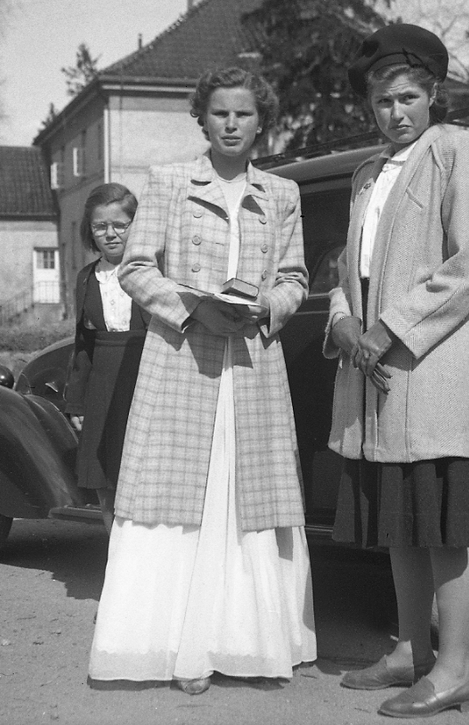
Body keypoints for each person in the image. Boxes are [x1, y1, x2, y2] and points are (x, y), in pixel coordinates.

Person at [88, 67, 316, 694]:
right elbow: (135, 267)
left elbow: (295, 277)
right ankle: (175, 647)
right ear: (202, 119)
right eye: (220, 114)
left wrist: (269, 307)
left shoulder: (282, 194)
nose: (232, 124)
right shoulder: (167, 183)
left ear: (260, 120)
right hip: (183, 363)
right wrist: (191, 308)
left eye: (243, 114)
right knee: (178, 497)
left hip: (251, 365)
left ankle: (247, 643)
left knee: (247, 497)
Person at [324, 23, 469, 718]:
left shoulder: (458, 151)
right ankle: (410, 651)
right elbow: (348, 271)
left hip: (431, 374)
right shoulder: (367, 174)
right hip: (374, 378)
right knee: (400, 522)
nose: (395, 113)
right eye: (382, 102)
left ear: (433, 96)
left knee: (446, 525)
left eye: (407, 98)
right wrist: (343, 322)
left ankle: (456, 669)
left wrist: (388, 331)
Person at [63, 183, 147, 533]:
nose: (110, 234)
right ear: (90, 231)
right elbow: (84, 346)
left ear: (136, 225)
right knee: (104, 479)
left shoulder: (152, 273)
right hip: (102, 389)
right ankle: (116, 561)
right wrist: (77, 403)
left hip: (143, 383)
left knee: (142, 478)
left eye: (120, 225)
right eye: (101, 227)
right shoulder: (87, 278)